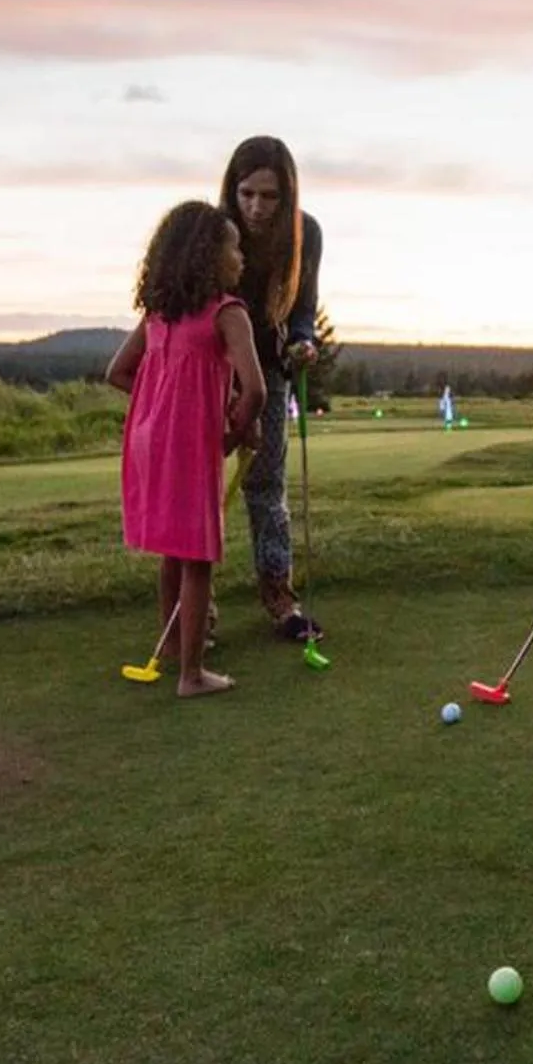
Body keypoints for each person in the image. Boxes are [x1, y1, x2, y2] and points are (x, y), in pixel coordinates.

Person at [106, 201, 265, 697]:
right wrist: (236, 432)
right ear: (208, 254)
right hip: (190, 446)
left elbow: (117, 372)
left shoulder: (159, 313)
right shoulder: (228, 312)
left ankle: (175, 645)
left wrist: (165, 405)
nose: (240, 257)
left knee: (174, 550)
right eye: (233, 247)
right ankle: (192, 674)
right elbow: (256, 389)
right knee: (197, 556)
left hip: (149, 442)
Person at [217, 136, 326, 643]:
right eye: (246, 194)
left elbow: (302, 309)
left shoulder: (307, 234)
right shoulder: (213, 232)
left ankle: (279, 598)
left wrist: (303, 343)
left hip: (271, 369)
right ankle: (195, 612)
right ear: (231, 191)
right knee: (201, 492)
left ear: (288, 197)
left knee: (267, 491)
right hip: (212, 369)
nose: (257, 207)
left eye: (270, 196)